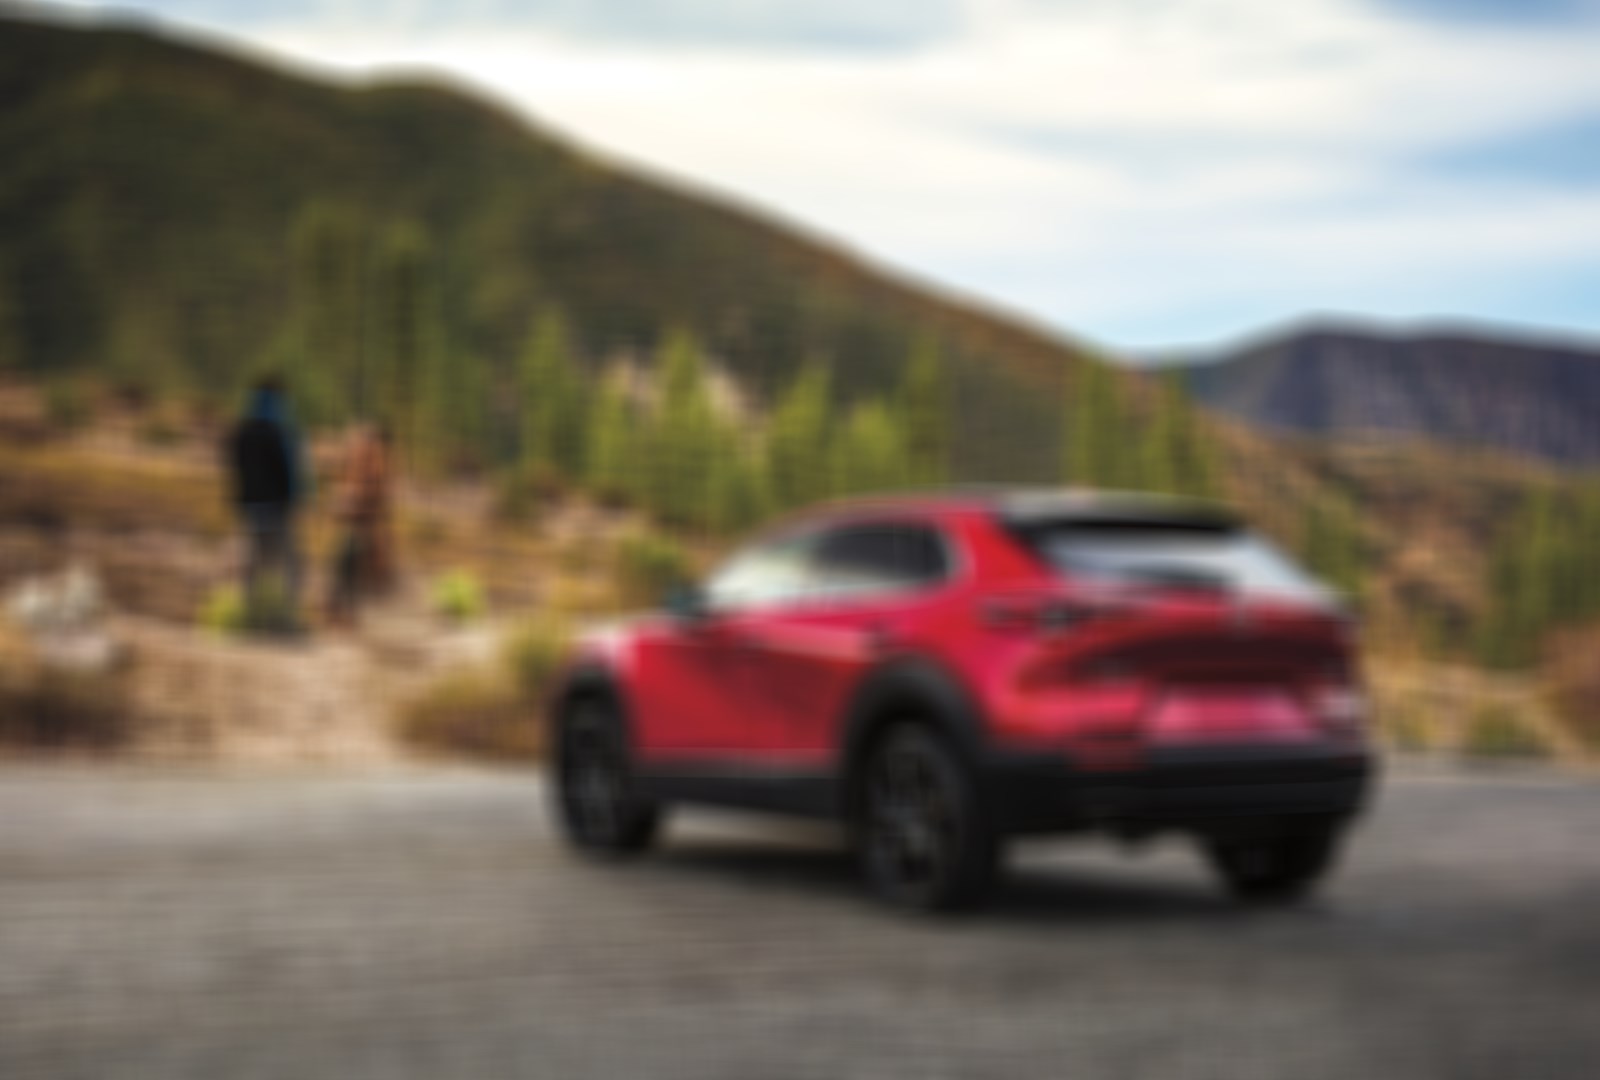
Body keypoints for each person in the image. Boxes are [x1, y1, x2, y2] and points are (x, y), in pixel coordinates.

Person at [225, 376, 311, 630]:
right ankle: (284, 616)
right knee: (288, 563)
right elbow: (291, 474)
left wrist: (241, 497)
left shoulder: (242, 430)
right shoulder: (281, 431)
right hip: (277, 510)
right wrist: (298, 501)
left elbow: (235, 468)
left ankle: (250, 612)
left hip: (250, 507)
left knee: (253, 562)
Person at [325, 420, 396, 627]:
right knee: (345, 566)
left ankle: (344, 611)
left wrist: (352, 505)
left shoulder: (376, 465)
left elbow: (373, 498)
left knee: (349, 566)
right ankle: (341, 610)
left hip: (365, 529)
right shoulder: (371, 464)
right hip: (360, 527)